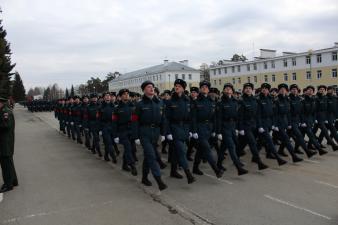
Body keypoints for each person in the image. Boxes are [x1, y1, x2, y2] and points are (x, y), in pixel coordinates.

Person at [132, 81, 168, 190]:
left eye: (152, 87)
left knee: (148, 156)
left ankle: (144, 178)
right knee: (152, 156)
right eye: (149, 87)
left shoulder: (160, 103)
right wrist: (136, 137)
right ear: (144, 90)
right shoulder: (139, 104)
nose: (152, 89)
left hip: (156, 132)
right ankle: (159, 180)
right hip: (144, 132)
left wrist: (163, 133)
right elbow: (134, 121)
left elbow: (163, 119)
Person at [165, 79, 196, 184]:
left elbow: (191, 117)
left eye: (179, 86)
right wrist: (168, 132)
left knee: (175, 151)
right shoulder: (170, 101)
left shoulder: (187, 100)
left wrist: (191, 130)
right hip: (174, 128)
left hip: (185, 128)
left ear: (183, 88)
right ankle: (189, 174)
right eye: (175, 85)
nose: (176, 87)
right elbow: (166, 118)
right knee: (182, 151)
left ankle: (173, 171)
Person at [191, 80, 224, 178]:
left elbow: (214, 117)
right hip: (200, 128)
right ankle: (216, 170)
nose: (204, 88)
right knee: (207, 149)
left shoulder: (212, 101)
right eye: (202, 87)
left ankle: (195, 168)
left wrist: (215, 130)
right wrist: (194, 131)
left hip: (209, 128)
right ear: (200, 89)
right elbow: (193, 118)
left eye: (206, 87)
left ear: (208, 89)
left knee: (200, 150)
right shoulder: (196, 102)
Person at [216, 83, 249, 175]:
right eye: (226, 89)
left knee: (223, 147)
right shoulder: (220, 102)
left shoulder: (235, 101)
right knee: (231, 147)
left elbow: (238, 116)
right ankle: (238, 167)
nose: (228, 90)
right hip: (224, 127)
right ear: (223, 91)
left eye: (229, 89)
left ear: (232, 91)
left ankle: (219, 164)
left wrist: (237, 128)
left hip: (233, 126)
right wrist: (219, 132)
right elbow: (218, 118)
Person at [0, 93, 18, 193]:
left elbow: (5, 126)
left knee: (5, 163)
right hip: (6, 141)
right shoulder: (4, 111)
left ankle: (8, 184)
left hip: (5, 142)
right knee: (9, 162)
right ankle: (14, 181)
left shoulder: (5, 112)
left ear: (1, 103)